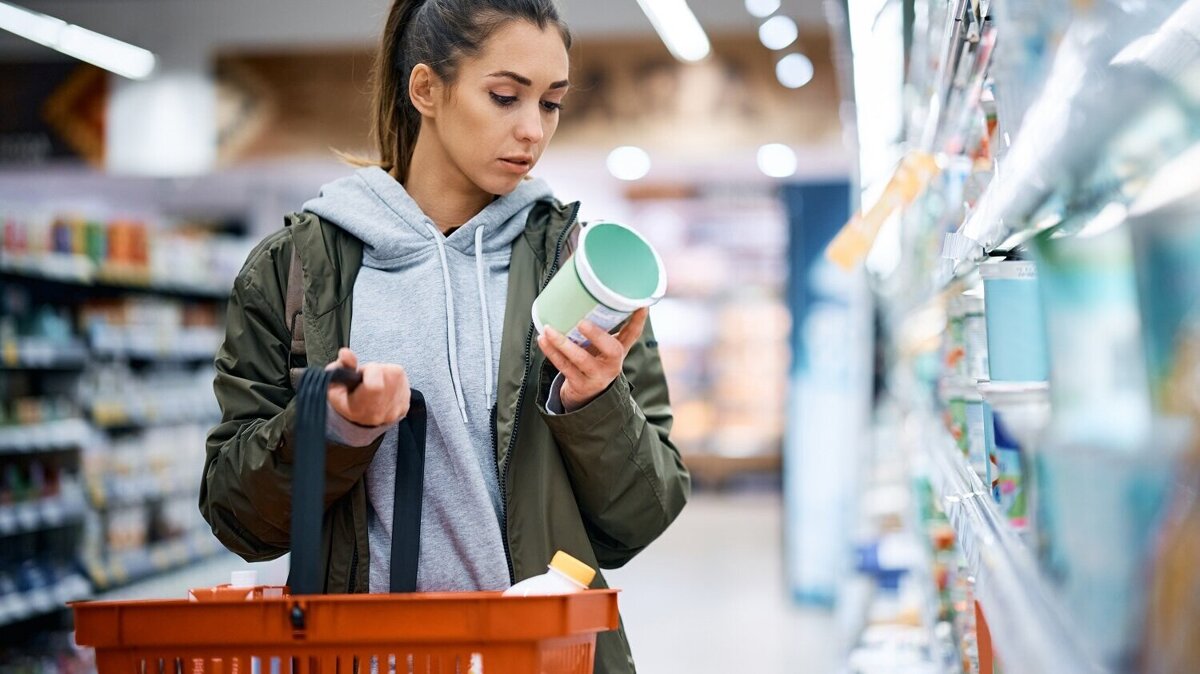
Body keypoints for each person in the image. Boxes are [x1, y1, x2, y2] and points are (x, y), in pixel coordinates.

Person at [199, 1, 690, 671]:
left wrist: (594, 403)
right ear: (426, 88)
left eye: (550, 104)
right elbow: (238, 516)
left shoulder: (579, 270)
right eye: (505, 96)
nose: (531, 131)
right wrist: (338, 428)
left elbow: (643, 515)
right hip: (364, 656)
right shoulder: (293, 271)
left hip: (542, 657)